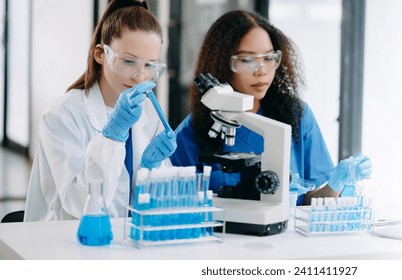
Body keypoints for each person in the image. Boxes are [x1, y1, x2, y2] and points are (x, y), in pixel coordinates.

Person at [171, 10, 371, 205]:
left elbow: (313, 202)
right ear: (221, 65)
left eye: (268, 58)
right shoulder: (190, 134)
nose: (262, 71)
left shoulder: (296, 116)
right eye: (247, 60)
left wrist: (335, 185)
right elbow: (179, 206)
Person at [24, 0, 176, 221]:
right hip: (65, 243)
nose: (139, 76)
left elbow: (149, 207)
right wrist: (112, 137)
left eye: (150, 65)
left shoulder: (149, 114)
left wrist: (150, 171)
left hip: (124, 243)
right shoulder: (62, 116)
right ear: (100, 54)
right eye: (128, 61)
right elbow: (81, 204)